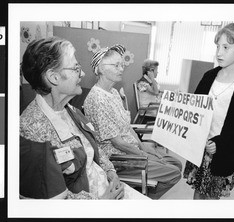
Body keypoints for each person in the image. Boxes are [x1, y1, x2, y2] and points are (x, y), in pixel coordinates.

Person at [19, 36, 148, 200]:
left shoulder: (71, 111)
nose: (83, 73)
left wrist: (111, 172)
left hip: (105, 186)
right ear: (53, 77)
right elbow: (54, 205)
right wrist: (101, 203)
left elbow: (94, 148)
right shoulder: (32, 134)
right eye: (75, 68)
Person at [83, 45, 182, 199]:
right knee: (174, 173)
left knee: (177, 164)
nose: (121, 69)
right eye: (116, 65)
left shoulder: (113, 92)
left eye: (122, 65)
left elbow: (127, 127)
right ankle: (143, 202)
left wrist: (144, 147)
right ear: (100, 69)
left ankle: (142, 197)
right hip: (121, 159)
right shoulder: (97, 99)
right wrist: (144, 154)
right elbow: (118, 143)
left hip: (131, 150)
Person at [183, 23, 234, 199]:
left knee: (210, 199)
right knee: (197, 196)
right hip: (200, 149)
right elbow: (193, 109)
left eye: (226, 47)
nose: (219, 52)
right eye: (218, 47)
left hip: (224, 153)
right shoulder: (209, 76)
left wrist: (221, 143)